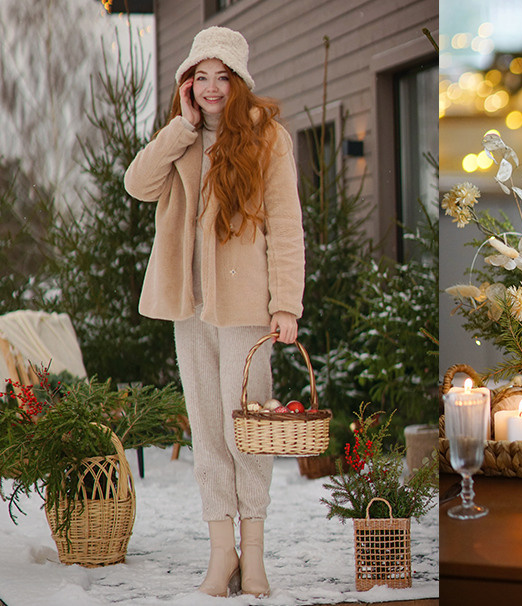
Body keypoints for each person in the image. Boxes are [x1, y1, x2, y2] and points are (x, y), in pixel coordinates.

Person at [123, 26, 304, 598]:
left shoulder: (269, 138)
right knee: (206, 428)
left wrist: (287, 306)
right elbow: (137, 184)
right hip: (191, 306)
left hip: (247, 309)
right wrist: (181, 128)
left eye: (221, 76)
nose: (210, 88)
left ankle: (254, 556)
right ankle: (220, 553)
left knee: (246, 430)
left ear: (239, 81)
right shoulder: (181, 135)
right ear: (187, 85)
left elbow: (287, 227)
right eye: (199, 77)